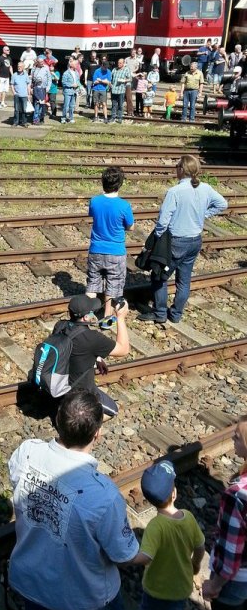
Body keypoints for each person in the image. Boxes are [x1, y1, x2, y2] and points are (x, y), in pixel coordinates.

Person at [8, 389, 140, 610]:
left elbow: (16, 481)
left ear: (57, 420)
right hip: (87, 594)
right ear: (98, 434)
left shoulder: (27, 452)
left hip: (34, 578)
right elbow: (122, 553)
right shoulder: (103, 496)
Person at [133, 461, 205, 610]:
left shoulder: (155, 527)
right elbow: (200, 547)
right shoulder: (188, 518)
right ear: (174, 493)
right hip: (179, 587)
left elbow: (146, 557)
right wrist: (196, 565)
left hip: (155, 586)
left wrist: (128, 559)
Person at [138, 155, 227, 324]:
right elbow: (223, 204)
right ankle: (176, 314)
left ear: (182, 169)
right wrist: (202, 216)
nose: (175, 168)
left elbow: (163, 221)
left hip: (176, 242)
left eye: (177, 165)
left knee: (159, 276)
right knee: (184, 280)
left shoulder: (174, 192)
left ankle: (160, 313)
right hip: (194, 241)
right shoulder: (206, 188)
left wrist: (156, 239)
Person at [197, 415, 247, 610]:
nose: (232, 438)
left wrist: (214, 585)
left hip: (236, 582)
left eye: (238, 436)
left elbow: (230, 556)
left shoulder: (238, 494)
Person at [52, 293, 130, 417]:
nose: (94, 314)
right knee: (112, 411)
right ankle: (83, 424)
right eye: (92, 312)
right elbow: (124, 349)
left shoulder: (60, 325)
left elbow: (75, 351)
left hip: (59, 388)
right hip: (78, 396)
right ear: (86, 317)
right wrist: (121, 318)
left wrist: (97, 357)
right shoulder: (92, 338)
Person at [86, 166, 134, 319]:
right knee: (113, 285)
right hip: (116, 252)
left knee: (93, 283)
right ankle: (107, 317)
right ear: (120, 184)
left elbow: (93, 215)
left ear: (103, 182)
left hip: (96, 250)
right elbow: (131, 227)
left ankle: (87, 315)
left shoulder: (94, 201)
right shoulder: (124, 205)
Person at [31, 55, 51, 125]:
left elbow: (49, 78)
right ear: (37, 62)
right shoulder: (34, 68)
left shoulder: (46, 68)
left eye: (43, 61)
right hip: (36, 89)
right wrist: (31, 88)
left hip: (43, 88)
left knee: (42, 105)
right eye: (40, 62)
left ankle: (41, 119)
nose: (42, 63)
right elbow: (32, 79)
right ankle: (35, 119)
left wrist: (48, 87)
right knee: (36, 104)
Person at [109, 58, 130, 124]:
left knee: (120, 105)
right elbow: (110, 78)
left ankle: (120, 117)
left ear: (123, 63)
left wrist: (124, 80)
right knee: (113, 104)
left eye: (120, 63)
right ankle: (113, 117)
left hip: (121, 90)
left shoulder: (126, 69)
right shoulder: (114, 69)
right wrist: (110, 84)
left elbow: (130, 79)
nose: (119, 64)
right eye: (118, 62)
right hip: (114, 90)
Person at [11, 61, 31, 128]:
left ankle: (24, 122)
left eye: (20, 66)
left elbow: (28, 85)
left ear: (23, 67)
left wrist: (29, 94)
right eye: (18, 66)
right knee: (16, 109)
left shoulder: (26, 75)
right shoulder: (14, 75)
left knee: (24, 109)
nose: (19, 68)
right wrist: (14, 92)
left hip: (24, 95)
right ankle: (15, 122)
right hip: (17, 95)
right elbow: (12, 84)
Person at [92, 58, 112, 123]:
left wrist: (100, 80)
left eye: (107, 67)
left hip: (103, 89)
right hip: (96, 89)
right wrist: (104, 81)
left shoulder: (108, 71)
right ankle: (95, 116)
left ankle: (105, 117)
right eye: (105, 67)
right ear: (102, 65)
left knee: (104, 104)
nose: (106, 69)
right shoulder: (97, 71)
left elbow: (108, 82)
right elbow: (95, 81)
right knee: (96, 103)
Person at [61, 59, 80, 124]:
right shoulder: (66, 73)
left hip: (74, 91)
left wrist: (79, 86)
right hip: (68, 91)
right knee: (66, 106)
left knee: (72, 106)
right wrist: (72, 85)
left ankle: (71, 118)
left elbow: (78, 81)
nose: (77, 65)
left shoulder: (76, 72)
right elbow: (63, 82)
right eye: (75, 64)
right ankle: (63, 118)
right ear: (71, 65)